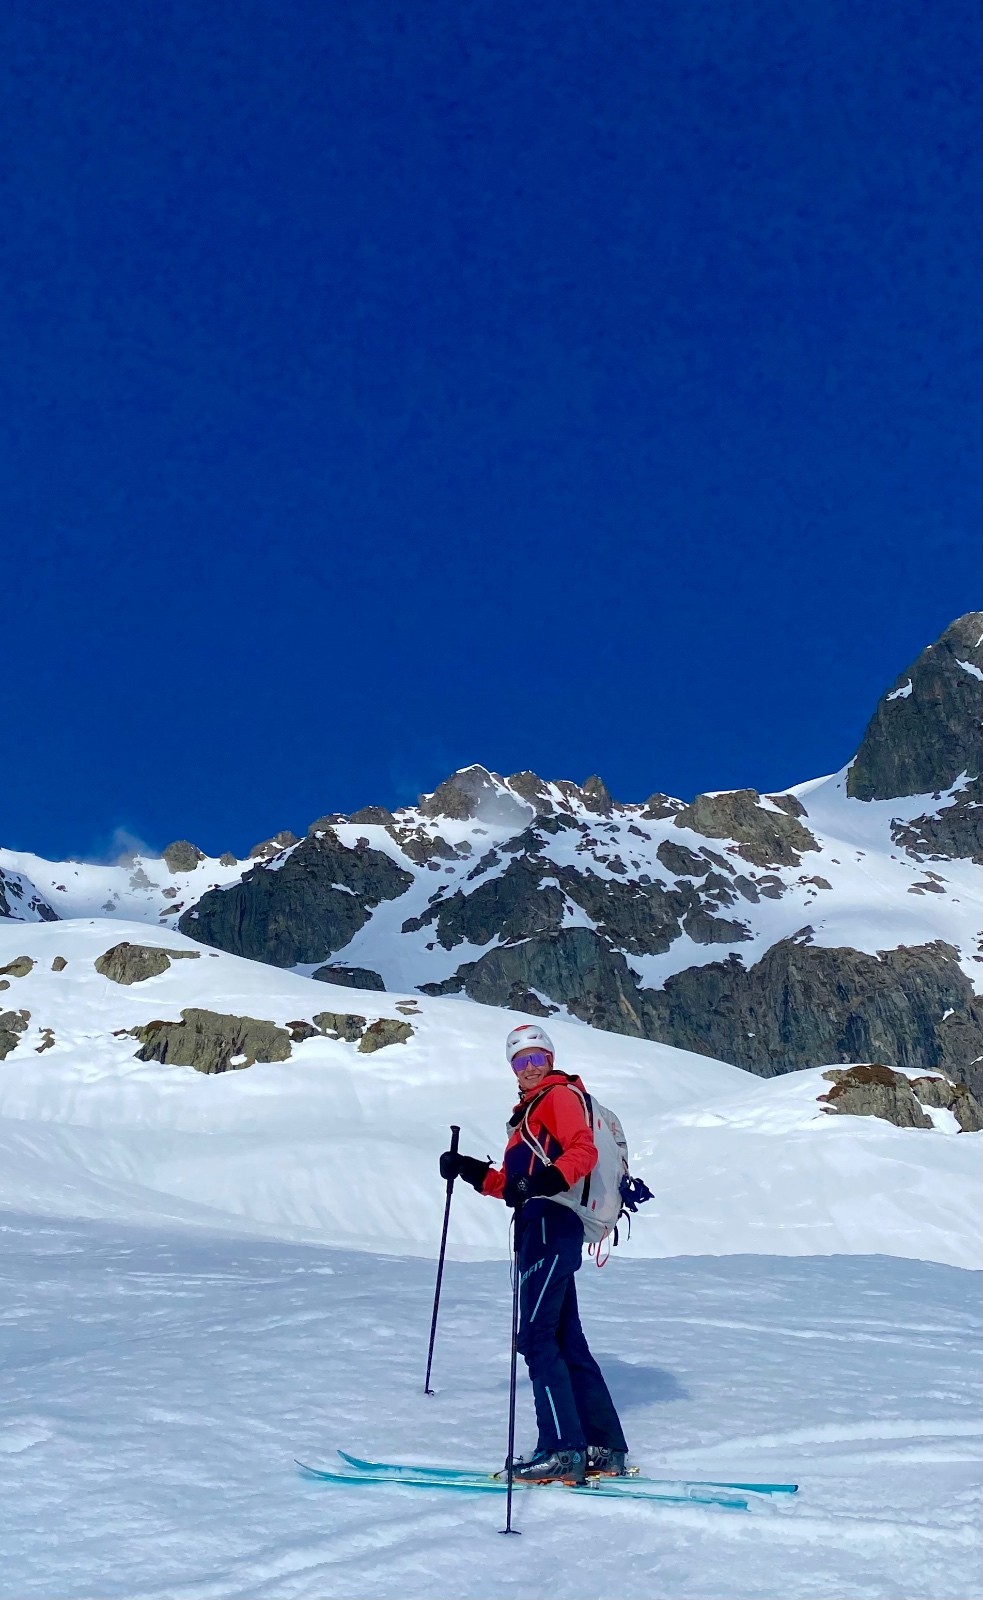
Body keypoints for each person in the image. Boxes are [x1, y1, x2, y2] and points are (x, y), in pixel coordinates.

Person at [439, 1024, 629, 1486]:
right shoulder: (531, 1112)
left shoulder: (557, 1097)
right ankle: (602, 1447)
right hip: (550, 1224)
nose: (529, 1067)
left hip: (548, 1224)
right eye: (520, 1061)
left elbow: (582, 1152)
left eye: (537, 1058)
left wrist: (540, 1183)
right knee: (565, 1338)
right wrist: (469, 1170)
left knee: (538, 1337)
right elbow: (513, 1186)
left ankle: (562, 1450)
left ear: (550, 1059)